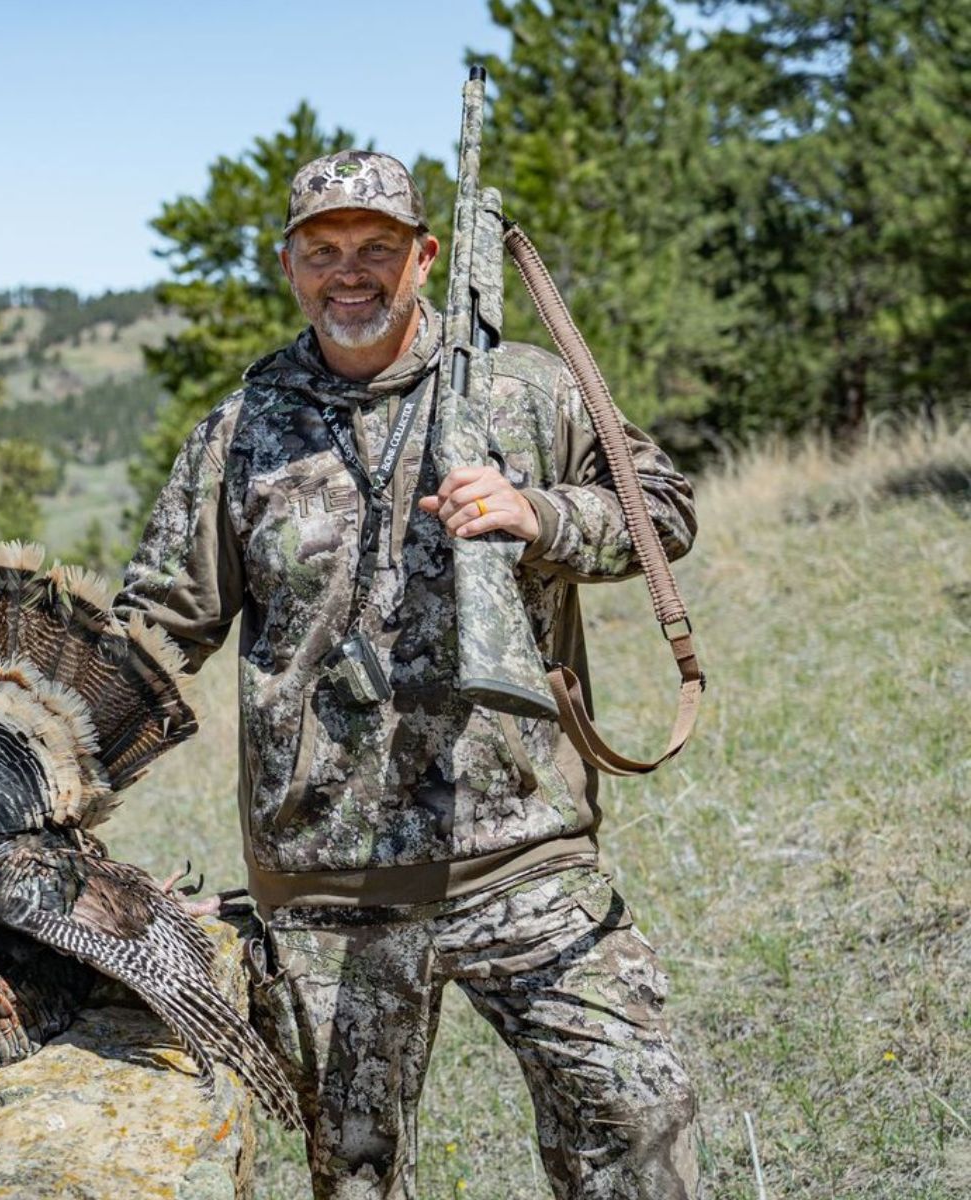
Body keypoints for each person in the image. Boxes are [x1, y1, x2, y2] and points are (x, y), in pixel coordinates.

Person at [113, 150, 701, 1199]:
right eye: (324, 251)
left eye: (378, 247)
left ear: (426, 256)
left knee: (637, 1112)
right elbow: (158, 626)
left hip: (527, 856)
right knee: (359, 1177)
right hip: (328, 884)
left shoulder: (529, 392)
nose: (352, 273)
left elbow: (664, 512)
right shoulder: (237, 434)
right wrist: (35, 750)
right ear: (288, 266)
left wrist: (543, 517)